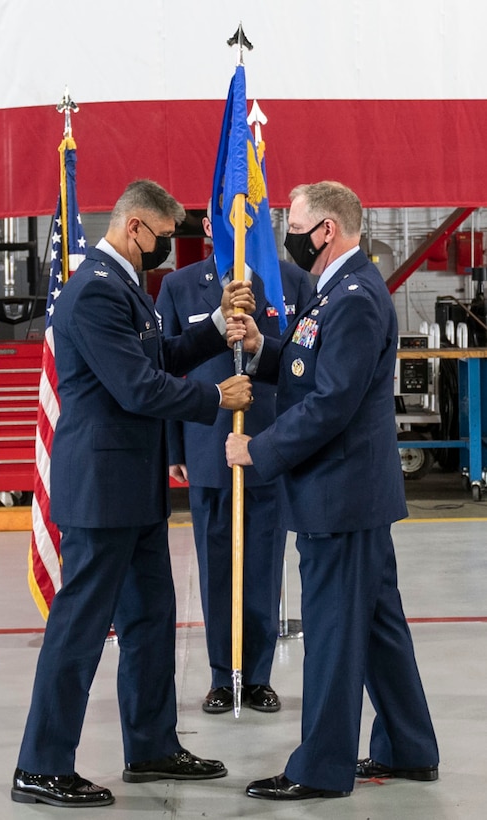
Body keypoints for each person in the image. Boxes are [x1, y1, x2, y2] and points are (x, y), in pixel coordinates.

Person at [11, 179, 255, 809]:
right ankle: (40, 765)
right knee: (80, 628)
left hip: (133, 486)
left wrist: (214, 328)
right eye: (165, 238)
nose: (169, 251)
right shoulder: (95, 290)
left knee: (151, 620)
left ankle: (150, 746)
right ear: (136, 226)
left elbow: (160, 353)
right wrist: (214, 398)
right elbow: (135, 387)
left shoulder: (123, 286)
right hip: (100, 487)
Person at [225, 181, 439, 801]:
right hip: (349, 493)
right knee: (375, 627)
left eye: (292, 222)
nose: (284, 233)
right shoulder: (337, 290)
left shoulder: (354, 297)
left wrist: (257, 450)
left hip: (340, 495)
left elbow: (330, 404)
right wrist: (265, 349)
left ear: (325, 230)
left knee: (333, 634)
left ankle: (319, 768)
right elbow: (306, 367)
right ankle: (408, 748)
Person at [155, 210, 311, 714]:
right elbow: (167, 372)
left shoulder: (293, 283)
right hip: (206, 446)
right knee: (216, 565)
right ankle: (225, 675)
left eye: (252, 222)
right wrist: (174, 449)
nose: (241, 232)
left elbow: (308, 366)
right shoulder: (180, 287)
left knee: (263, 565)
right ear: (207, 230)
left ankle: (259, 675)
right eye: (227, 222)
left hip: (269, 444)